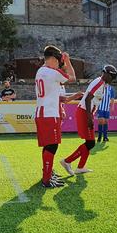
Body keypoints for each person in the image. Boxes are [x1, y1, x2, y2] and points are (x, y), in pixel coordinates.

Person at [60, 64, 117, 176]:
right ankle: (67, 161)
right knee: (90, 143)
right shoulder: (100, 83)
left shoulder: (102, 83)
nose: (112, 79)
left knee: (89, 142)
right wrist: (89, 118)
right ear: (105, 74)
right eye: (112, 77)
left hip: (87, 112)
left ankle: (80, 167)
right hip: (84, 113)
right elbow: (87, 99)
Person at [35, 45, 76, 188]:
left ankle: (47, 173)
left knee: (48, 146)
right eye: (58, 60)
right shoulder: (51, 73)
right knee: (52, 146)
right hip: (49, 114)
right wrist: (68, 61)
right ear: (52, 59)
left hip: (43, 112)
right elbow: (72, 77)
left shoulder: (41, 71)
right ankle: (46, 179)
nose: (59, 63)